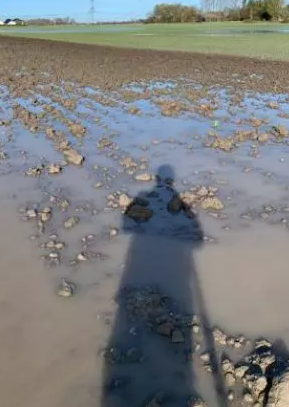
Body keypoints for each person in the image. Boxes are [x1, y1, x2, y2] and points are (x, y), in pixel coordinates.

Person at [101, 165, 225, 407]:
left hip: (139, 260)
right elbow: (196, 238)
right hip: (173, 266)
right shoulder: (175, 206)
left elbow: (129, 224)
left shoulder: (146, 200)